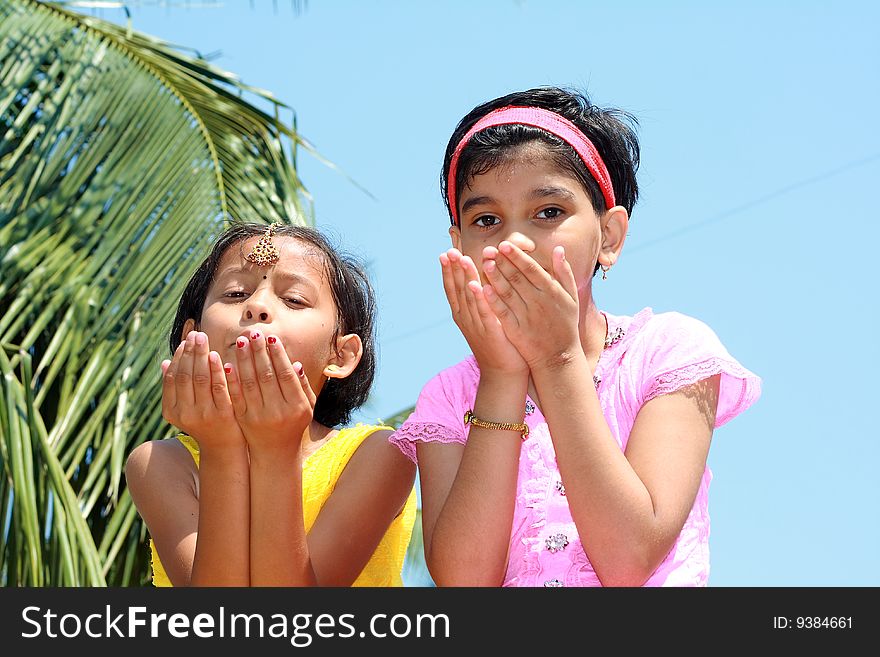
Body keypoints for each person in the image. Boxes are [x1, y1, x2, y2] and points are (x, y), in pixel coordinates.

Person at [389, 87, 761, 587]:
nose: (514, 241)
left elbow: (629, 557)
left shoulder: (667, 352)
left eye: (548, 212)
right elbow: (463, 581)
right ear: (459, 245)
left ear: (609, 237)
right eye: (486, 220)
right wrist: (501, 376)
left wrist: (558, 358)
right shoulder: (449, 396)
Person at [126, 222, 417, 586]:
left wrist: (276, 449)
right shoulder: (161, 463)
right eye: (234, 294)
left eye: (294, 300)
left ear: (341, 355)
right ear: (192, 336)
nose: (257, 307)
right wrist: (220, 448)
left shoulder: (379, 455)